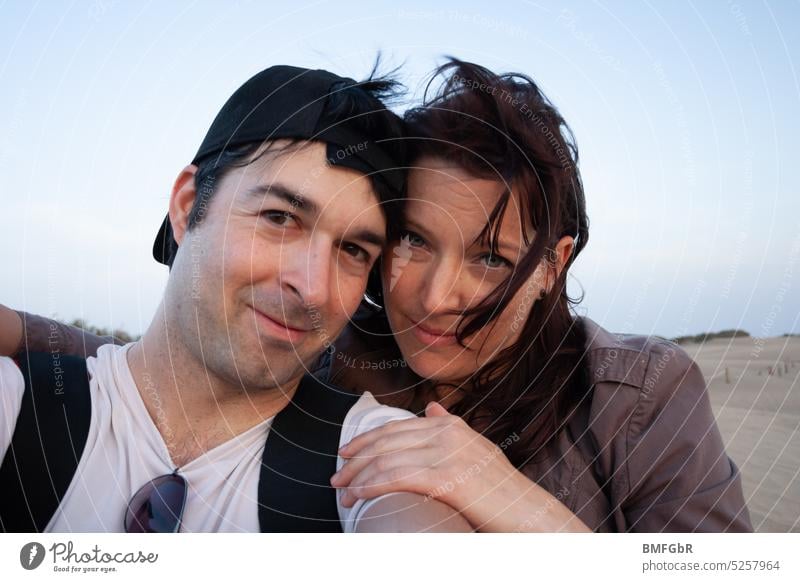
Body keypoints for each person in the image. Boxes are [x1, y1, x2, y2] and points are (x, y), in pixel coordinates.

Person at [1, 59, 752, 533]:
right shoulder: (340, 354)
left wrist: (516, 504)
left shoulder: (640, 397)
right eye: (411, 243)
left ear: (553, 264)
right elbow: (190, 366)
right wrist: (30, 342)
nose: (433, 295)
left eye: (491, 258)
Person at [0, 64, 471, 533]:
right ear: (187, 207)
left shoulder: (371, 454)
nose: (313, 289)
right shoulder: (19, 407)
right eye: (280, 218)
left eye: (352, 250)